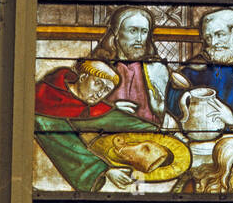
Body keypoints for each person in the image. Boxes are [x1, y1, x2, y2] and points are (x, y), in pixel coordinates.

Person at [34, 59, 160, 191]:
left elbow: (118, 120)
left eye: (106, 90)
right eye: (98, 84)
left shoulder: (90, 107)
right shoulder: (44, 102)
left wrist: (161, 131)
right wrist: (103, 171)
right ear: (83, 77)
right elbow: (66, 144)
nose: (100, 93)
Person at [167, 8, 233, 131]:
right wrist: (184, 98)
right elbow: (173, 99)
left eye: (219, 35)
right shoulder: (200, 64)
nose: (213, 42)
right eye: (208, 37)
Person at [91, 7, 170, 125]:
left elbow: (170, 115)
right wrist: (109, 110)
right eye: (133, 31)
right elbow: (83, 111)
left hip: (149, 137)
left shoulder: (157, 69)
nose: (139, 39)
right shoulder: (98, 67)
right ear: (117, 33)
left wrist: (160, 109)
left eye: (144, 32)